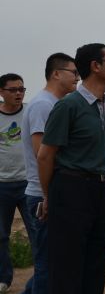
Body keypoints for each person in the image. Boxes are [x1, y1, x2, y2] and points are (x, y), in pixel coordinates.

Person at [37, 43, 105, 294]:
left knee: (96, 263)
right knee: (67, 268)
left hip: (100, 189)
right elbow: (45, 156)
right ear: (95, 66)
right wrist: (49, 196)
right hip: (70, 190)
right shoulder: (68, 105)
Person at [20, 54, 79, 294]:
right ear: (56, 73)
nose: (77, 77)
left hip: (50, 192)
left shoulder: (54, 103)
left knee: (52, 262)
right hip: (44, 194)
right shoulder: (44, 105)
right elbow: (42, 154)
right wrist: (49, 196)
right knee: (47, 264)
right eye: (73, 72)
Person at [0, 73, 30, 294]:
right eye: (13, 90)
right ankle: (3, 278)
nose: (18, 93)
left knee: (38, 231)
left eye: (21, 89)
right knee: (1, 235)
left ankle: (45, 276)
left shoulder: (30, 112)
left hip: (29, 183)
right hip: (2, 184)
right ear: (1, 92)